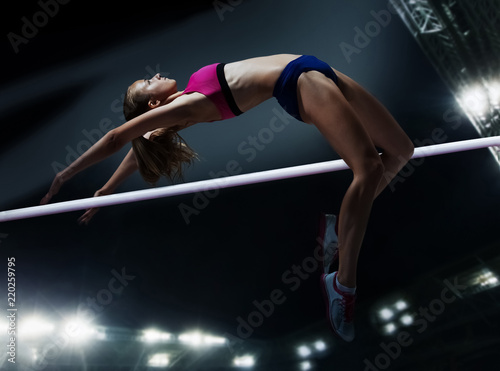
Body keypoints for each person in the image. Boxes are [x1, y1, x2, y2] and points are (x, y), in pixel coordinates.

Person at [40, 54, 414, 342]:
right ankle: (342, 284)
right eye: (146, 84)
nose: (155, 76)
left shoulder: (184, 101)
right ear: (152, 106)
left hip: (315, 66)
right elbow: (118, 138)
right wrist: (65, 174)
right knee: (367, 169)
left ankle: (336, 230)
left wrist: (105, 190)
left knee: (400, 152)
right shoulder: (185, 107)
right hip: (299, 81)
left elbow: (142, 148)